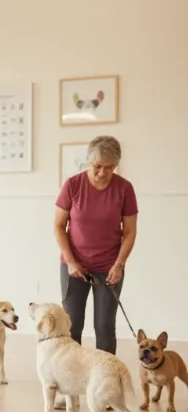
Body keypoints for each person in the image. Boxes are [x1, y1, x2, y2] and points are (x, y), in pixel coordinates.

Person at [54, 135, 138, 355]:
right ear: (89, 162)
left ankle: (107, 380)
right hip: (74, 267)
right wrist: (71, 262)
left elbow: (129, 232)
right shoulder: (72, 185)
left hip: (109, 267)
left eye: (109, 168)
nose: (102, 173)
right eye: (97, 166)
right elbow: (58, 226)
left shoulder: (124, 189)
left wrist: (119, 264)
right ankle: (72, 380)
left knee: (104, 326)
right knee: (72, 327)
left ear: (116, 165)